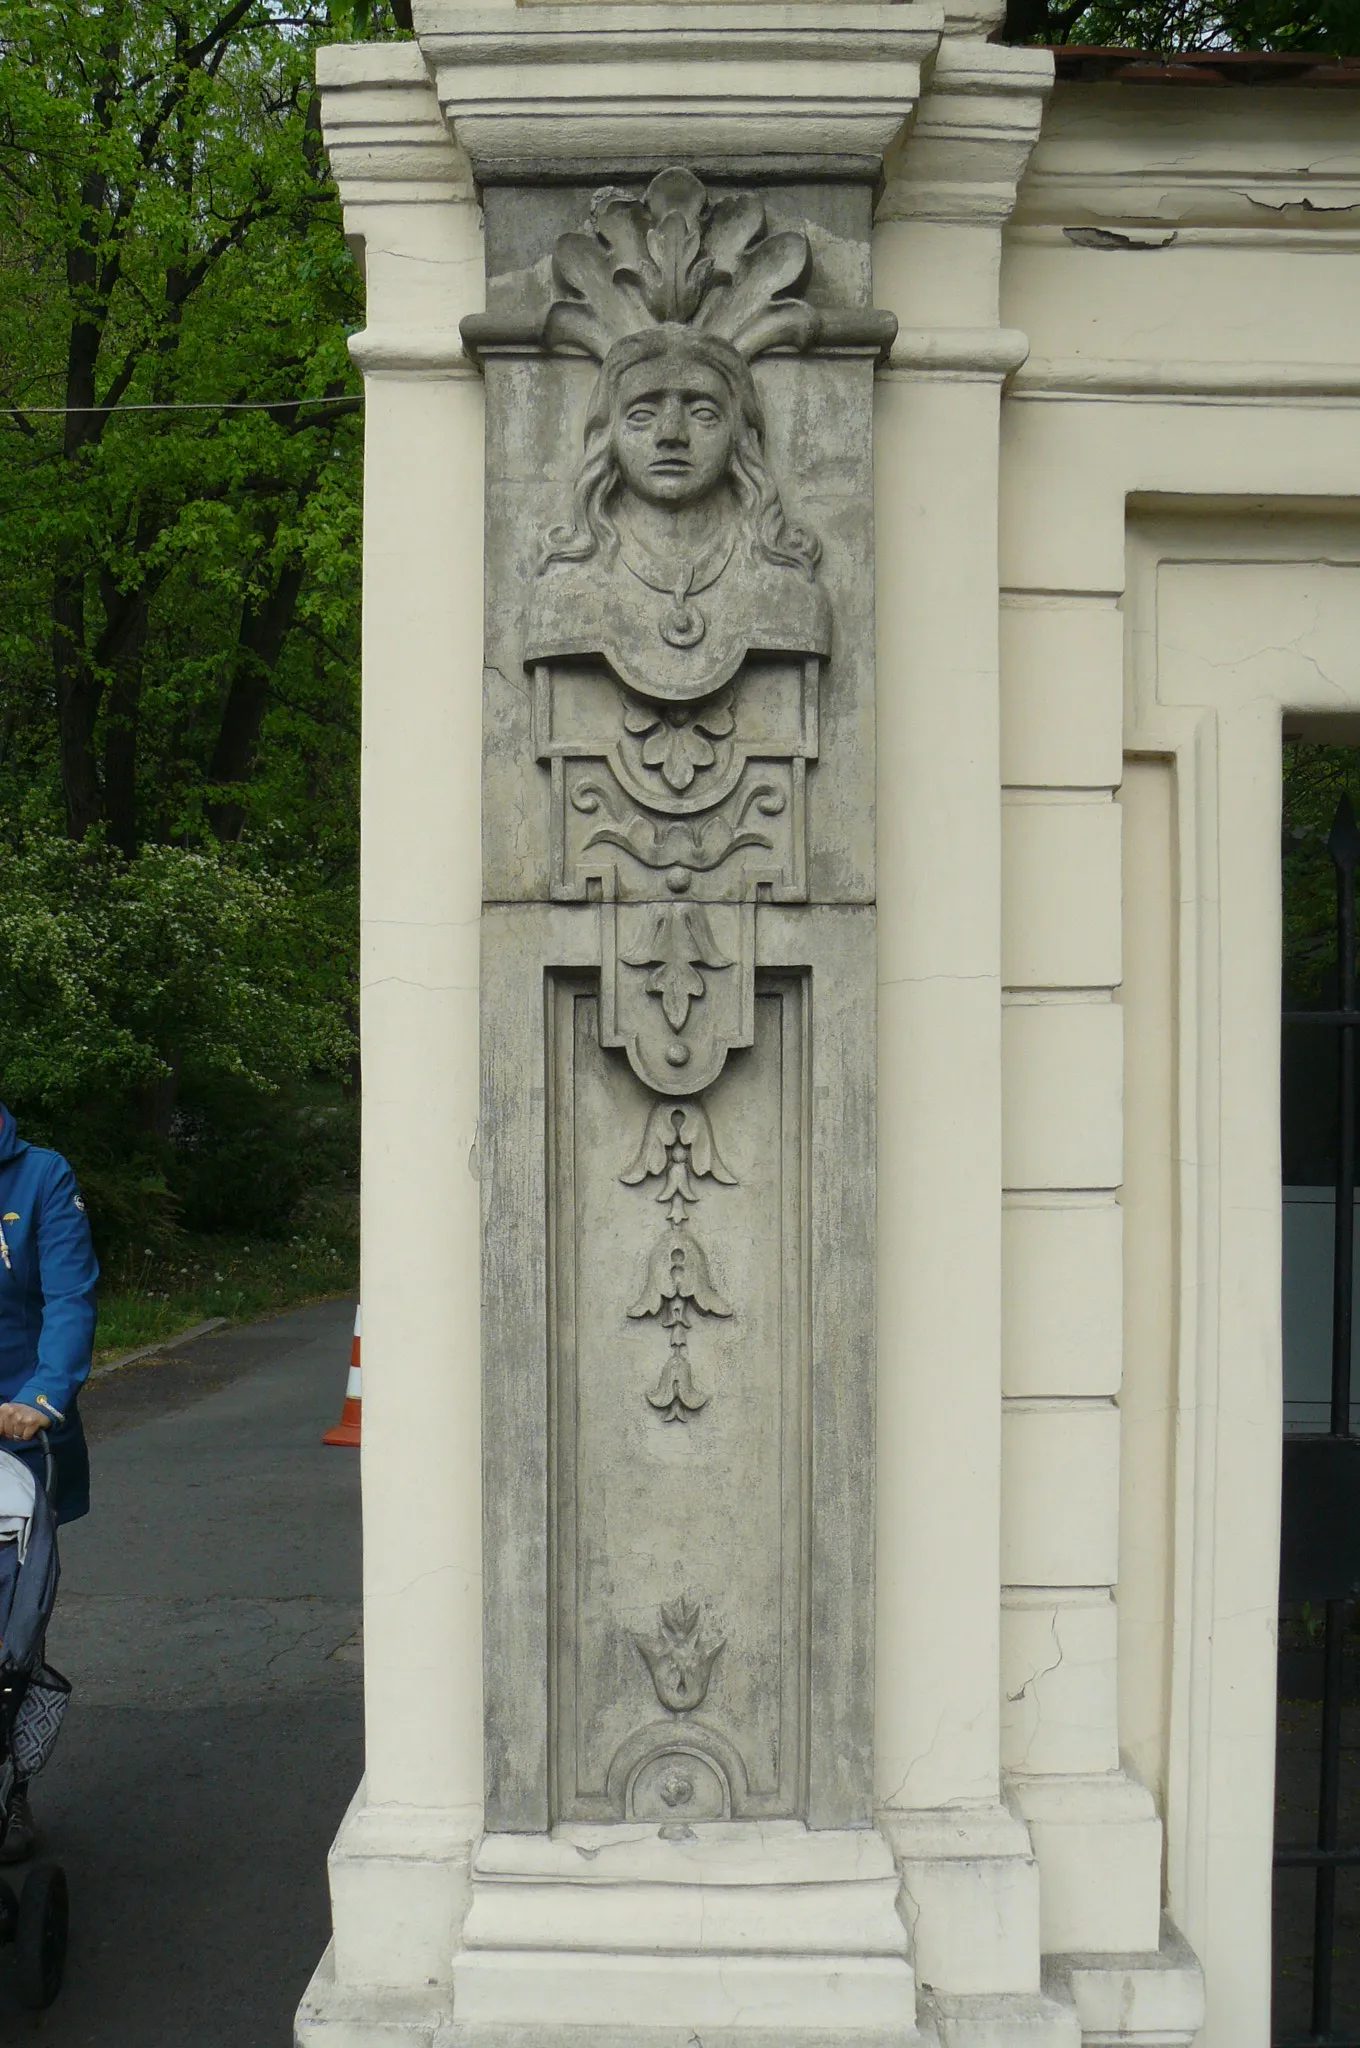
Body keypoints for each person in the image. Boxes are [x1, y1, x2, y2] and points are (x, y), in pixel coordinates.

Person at [0, 1102, 98, 1862]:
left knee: (13, 1619)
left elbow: (68, 1298)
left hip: (16, 1438)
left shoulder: (39, 1177)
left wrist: (42, 1397)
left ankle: (12, 1792)